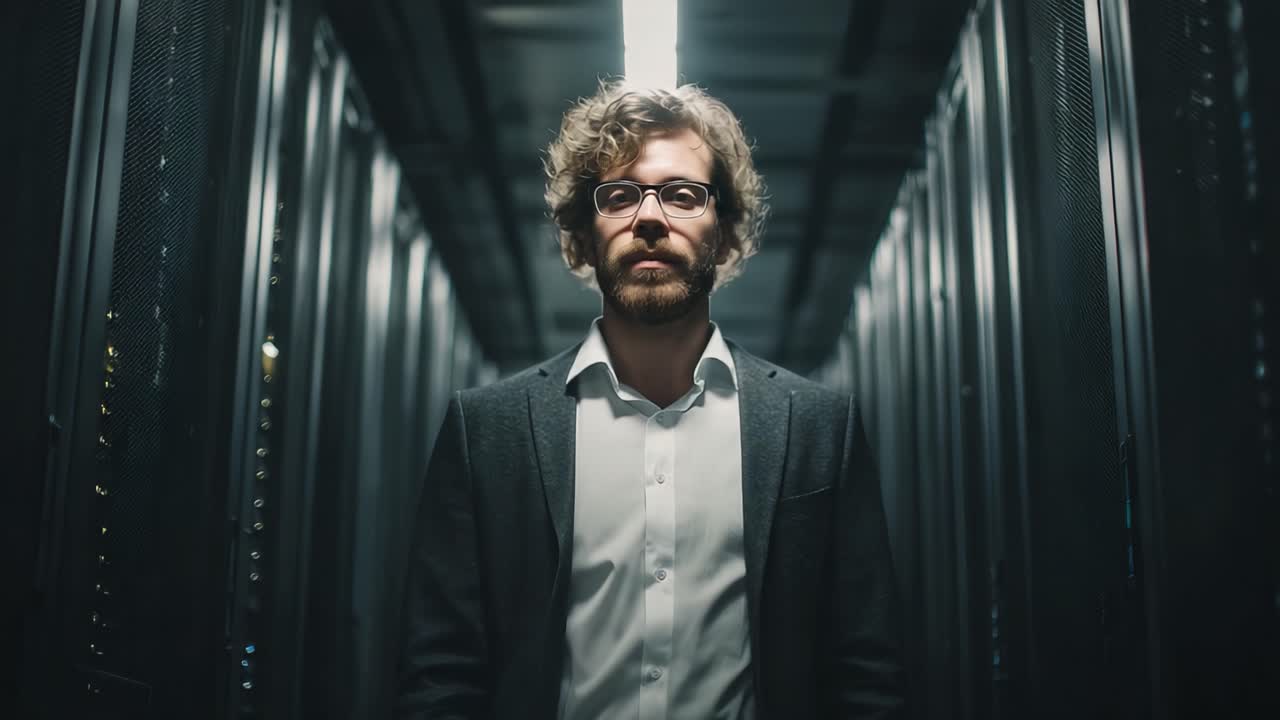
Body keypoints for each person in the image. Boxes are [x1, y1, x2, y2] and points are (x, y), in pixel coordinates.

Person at [397, 80, 903, 719]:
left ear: (723, 235)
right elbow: (440, 675)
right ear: (584, 234)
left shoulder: (817, 427)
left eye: (684, 195)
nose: (650, 217)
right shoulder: (487, 430)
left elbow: (863, 673)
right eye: (619, 196)